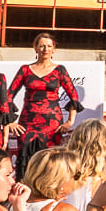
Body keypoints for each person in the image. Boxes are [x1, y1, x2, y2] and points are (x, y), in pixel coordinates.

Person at [10, 32, 82, 166]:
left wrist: (70, 121)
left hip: (52, 125)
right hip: (27, 124)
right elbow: (8, 96)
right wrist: (10, 122)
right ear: (35, 48)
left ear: (54, 48)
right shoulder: (25, 70)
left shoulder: (59, 70)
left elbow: (74, 96)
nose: (46, 49)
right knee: (26, 162)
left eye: (49, 46)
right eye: (42, 46)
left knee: (51, 162)